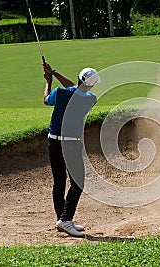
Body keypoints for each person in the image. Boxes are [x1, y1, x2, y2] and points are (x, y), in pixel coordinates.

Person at [42, 62, 100, 237]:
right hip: (71, 144)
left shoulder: (59, 93)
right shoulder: (90, 98)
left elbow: (46, 100)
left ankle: (62, 219)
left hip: (53, 141)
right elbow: (76, 88)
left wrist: (49, 80)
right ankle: (65, 220)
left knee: (59, 181)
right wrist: (54, 72)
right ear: (90, 84)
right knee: (78, 182)